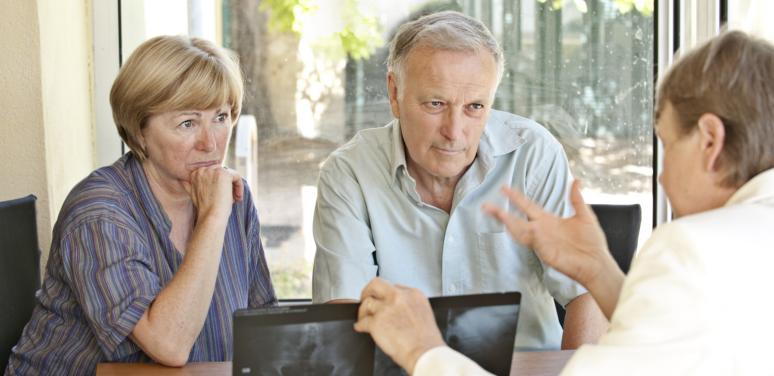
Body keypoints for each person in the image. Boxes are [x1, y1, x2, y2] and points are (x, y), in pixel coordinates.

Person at [353, 30, 774, 375]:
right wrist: (599, 271)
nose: (661, 176)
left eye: (665, 144)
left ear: (710, 142)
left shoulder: (689, 248)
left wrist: (424, 351)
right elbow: (678, 344)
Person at [311, 10, 607, 350]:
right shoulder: (349, 174)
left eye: (475, 107)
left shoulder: (533, 156)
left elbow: (587, 292)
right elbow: (343, 316)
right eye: (436, 104)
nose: (454, 132)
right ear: (395, 93)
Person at [5, 36, 276, 375]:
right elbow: (169, 345)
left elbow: (262, 325)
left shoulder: (234, 197)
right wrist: (212, 218)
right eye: (188, 123)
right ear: (139, 131)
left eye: (220, 117)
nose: (211, 143)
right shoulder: (99, 211)